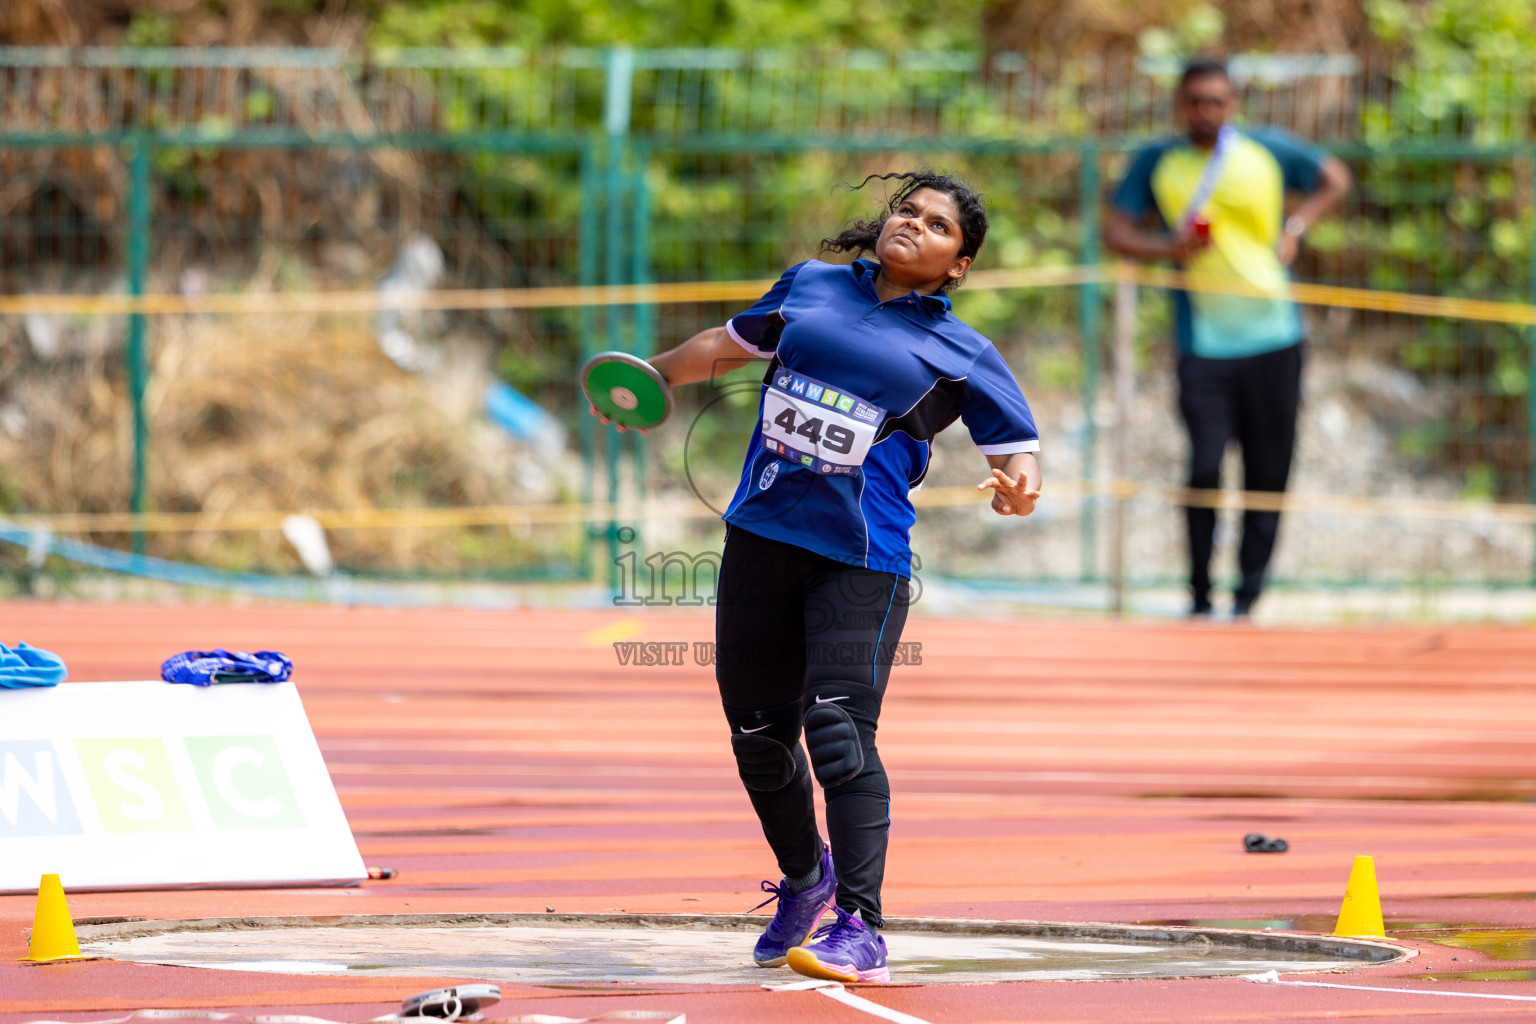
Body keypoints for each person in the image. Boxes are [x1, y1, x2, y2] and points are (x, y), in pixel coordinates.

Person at [588, 172, 1041, 983]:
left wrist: (1019, 485)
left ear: (958, 265)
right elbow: (726, 348)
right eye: (907, 210)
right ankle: (806, 880)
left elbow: (1017, 450)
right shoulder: (813, 285)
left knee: (838, 732)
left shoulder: (962, 350)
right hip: (761, 536)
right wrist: (644, 379)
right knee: (759, 740)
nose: (913, 224)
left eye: (937, 225)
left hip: (861, 560)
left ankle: (860, 924)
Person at [1104, 58, 1351, 618]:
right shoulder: (1156, 161)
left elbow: (1335, 179)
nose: (1206, 111)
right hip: (1204, 344)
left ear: (1232, 102)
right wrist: (1169, 249)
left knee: (1269, 472)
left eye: (1216, 100)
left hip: (1275, 336)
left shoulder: (1268, 150)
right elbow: (1116, 231)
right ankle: (1198, 594)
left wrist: (1296, 227)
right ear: (1179, 103)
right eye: (1195, 101)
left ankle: (1248, 598)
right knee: (1204, 467)